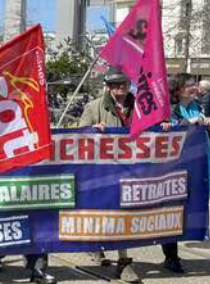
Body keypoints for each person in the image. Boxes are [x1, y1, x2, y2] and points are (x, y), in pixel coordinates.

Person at [78, 66, 140, 283]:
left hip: (131, 168)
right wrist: (93, 128)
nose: (119, 88)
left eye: (123, 83)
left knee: (124, 213)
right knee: (101, 211)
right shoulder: (94, 106)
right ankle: (95, 244)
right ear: (108, 86)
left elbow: (153, 127)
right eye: (114, 84)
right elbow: (79, 133)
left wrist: (164, 126)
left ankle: (124, 261)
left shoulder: (140, 106)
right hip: (103, 170)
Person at [160, 73, 210, 274]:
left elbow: (201, 131)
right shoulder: (168, 110)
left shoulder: (198, 107)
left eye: (195, 85)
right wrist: (176, 125)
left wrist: (208, 122)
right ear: (177, 90)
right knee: (172, 210)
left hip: (197, 164)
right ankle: (171, 256)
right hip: (175, 167)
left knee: (187, 210)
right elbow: (162, 135)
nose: (194, 88)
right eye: (189, 85)